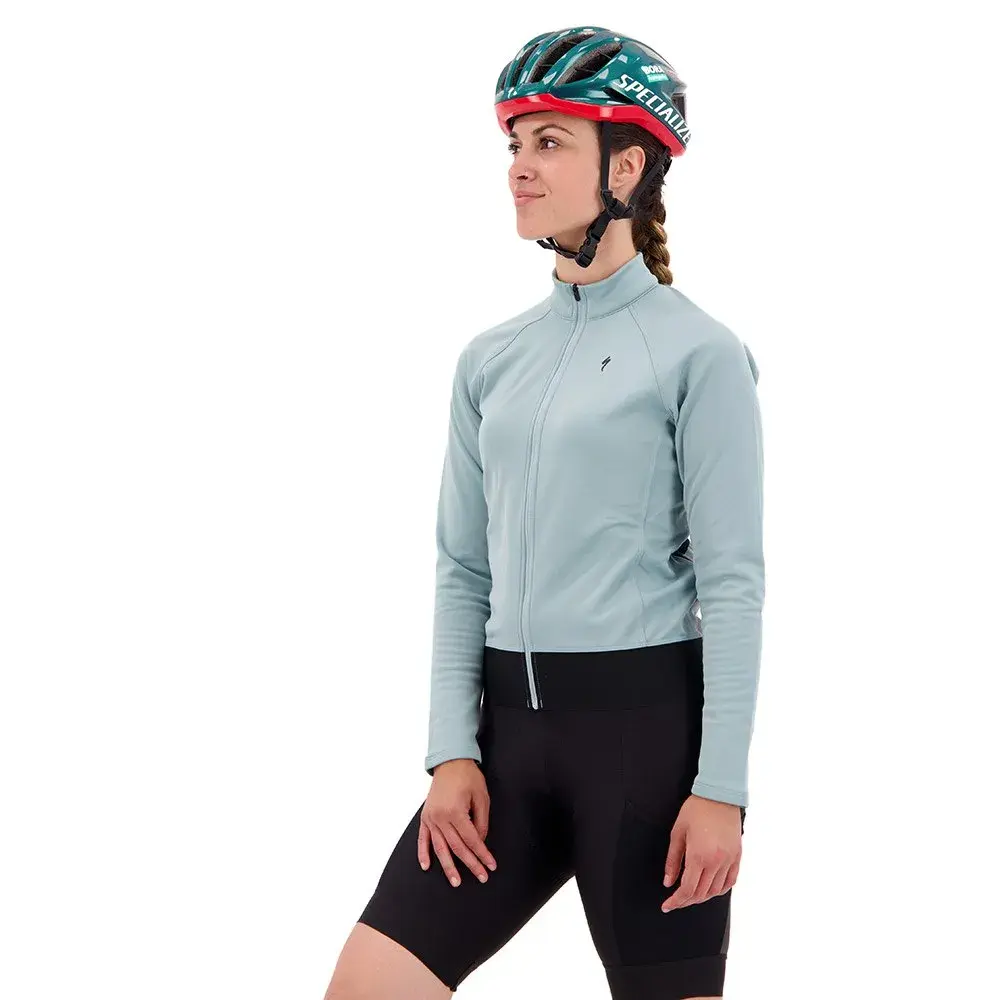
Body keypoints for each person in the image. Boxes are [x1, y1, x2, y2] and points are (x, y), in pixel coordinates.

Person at [325, 25, 764, 1000]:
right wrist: (451, 750)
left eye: (550, 142)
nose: (519, 167)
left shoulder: (699, 354)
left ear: (627, 166)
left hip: (645, 753)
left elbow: (733, 583)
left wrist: (722, 791)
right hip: (506, 753)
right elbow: (461, 567)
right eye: (515, 144)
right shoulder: (490, 360)